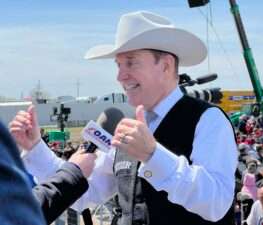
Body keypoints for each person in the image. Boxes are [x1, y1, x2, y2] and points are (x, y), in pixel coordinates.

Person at [10, 11, 238, 225]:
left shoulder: (208, 120)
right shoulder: (126, 129)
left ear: (166, 65)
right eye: (118, 65)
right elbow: (87, 193)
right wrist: (36, 149)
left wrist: (153, 155)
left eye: (131, 62)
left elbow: (216, 203)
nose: (120, 76)